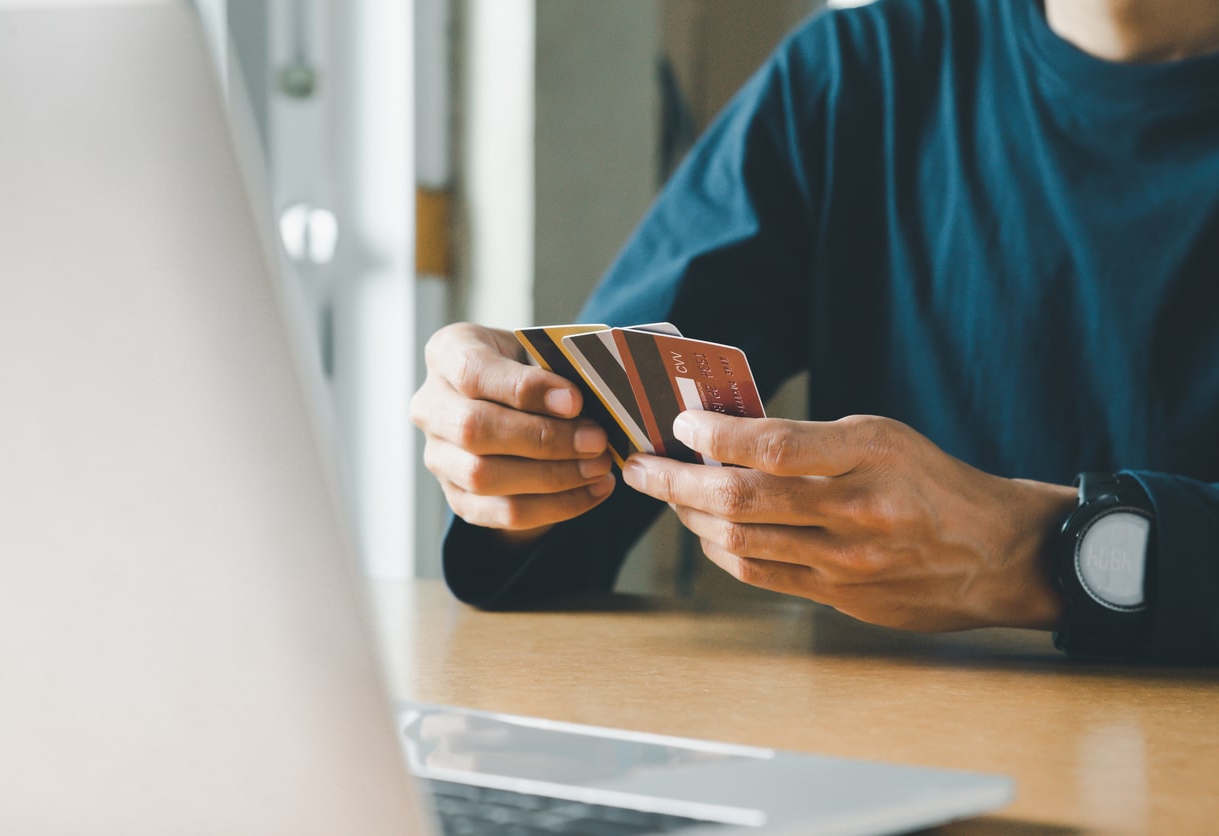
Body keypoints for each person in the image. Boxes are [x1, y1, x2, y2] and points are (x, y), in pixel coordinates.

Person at [410, 0, 1219, 662]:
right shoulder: (852, 81)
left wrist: (1032, 554)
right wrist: (516, 443)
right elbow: (595, 467)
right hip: (891, 765)